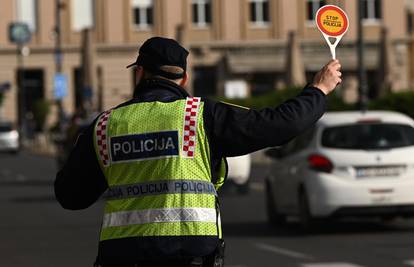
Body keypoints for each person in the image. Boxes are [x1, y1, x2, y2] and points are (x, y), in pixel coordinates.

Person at [54, 36, 342, 267]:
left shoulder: (104, 125)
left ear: (139, 73)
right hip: (189, 254)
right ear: (184, 78)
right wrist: (318, 90)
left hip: (121, 256)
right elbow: (280, 124)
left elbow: (70, 196)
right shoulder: (200, 116)